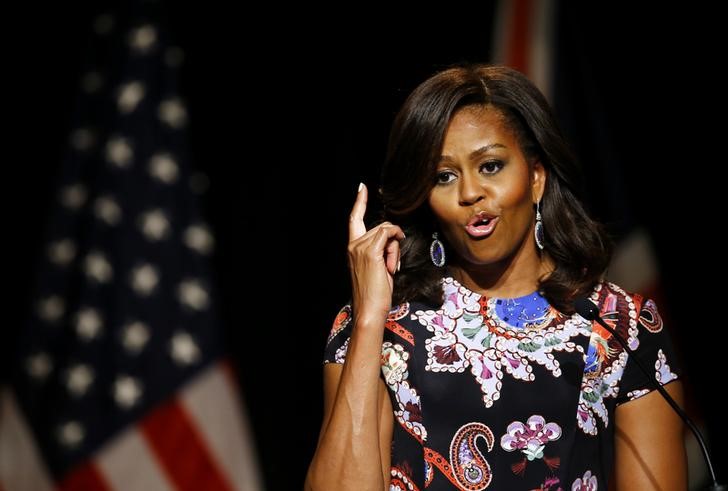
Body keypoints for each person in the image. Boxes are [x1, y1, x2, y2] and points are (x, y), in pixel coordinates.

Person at [304, 64, 687, 491]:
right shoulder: (380, 328)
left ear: (536, 177)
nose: (469, 193)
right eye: (444, 176)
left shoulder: (619, 325)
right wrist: (370, 318)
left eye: (490, 166)